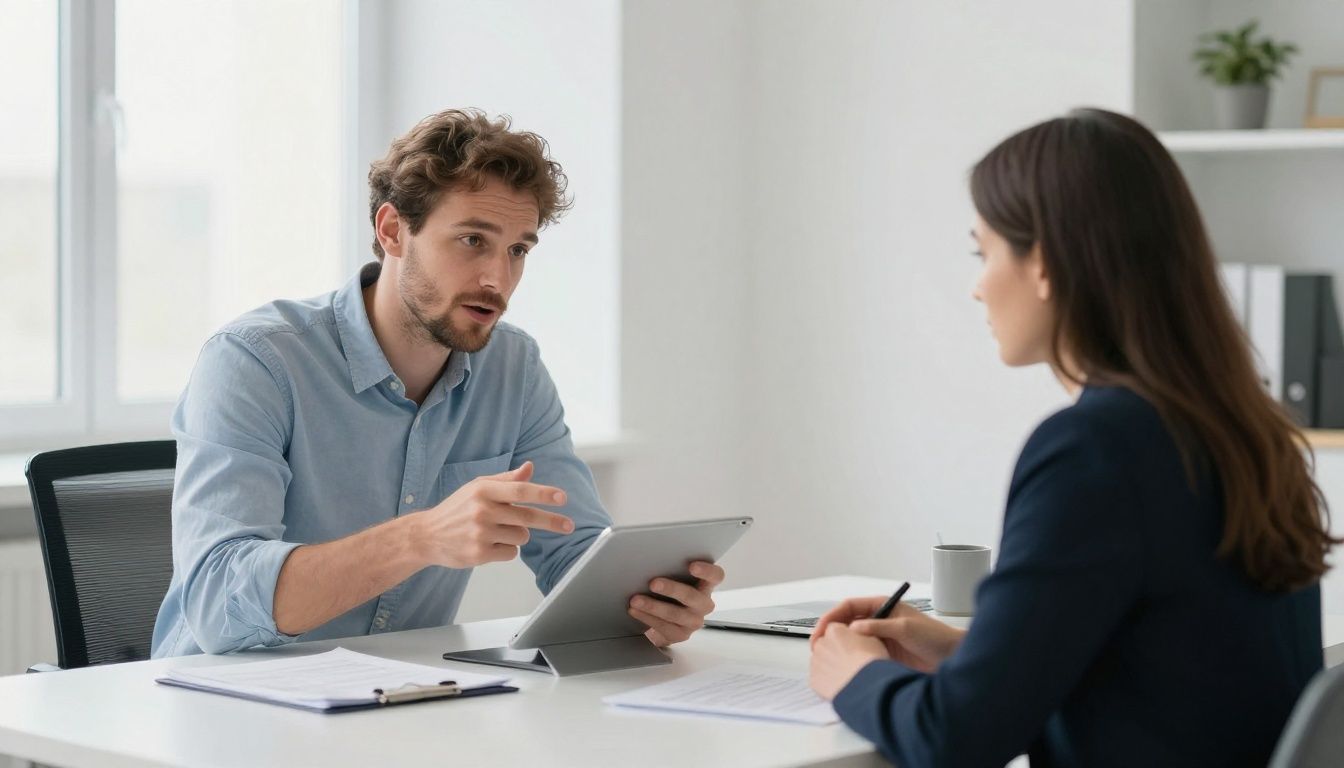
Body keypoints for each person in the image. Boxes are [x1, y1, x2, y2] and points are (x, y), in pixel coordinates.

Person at [808, 108, 1339, 767]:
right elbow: (1174, 674)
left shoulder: (1094, 449)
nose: (976, 288)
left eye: (983, 253)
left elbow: (954, 741)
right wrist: (969, 654)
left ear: (1045, 264)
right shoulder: (1247, 434)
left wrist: (854, 675)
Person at [151, 109, 723, 657]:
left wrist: (646, 609)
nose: (497, 278)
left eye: (517, 250)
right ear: (393, 230)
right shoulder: (256, 361)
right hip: (223, 697)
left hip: (403, 693)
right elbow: (217, 604)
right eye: (473, 240)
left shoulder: (513, 367)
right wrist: (421, 537)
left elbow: (575, 552)